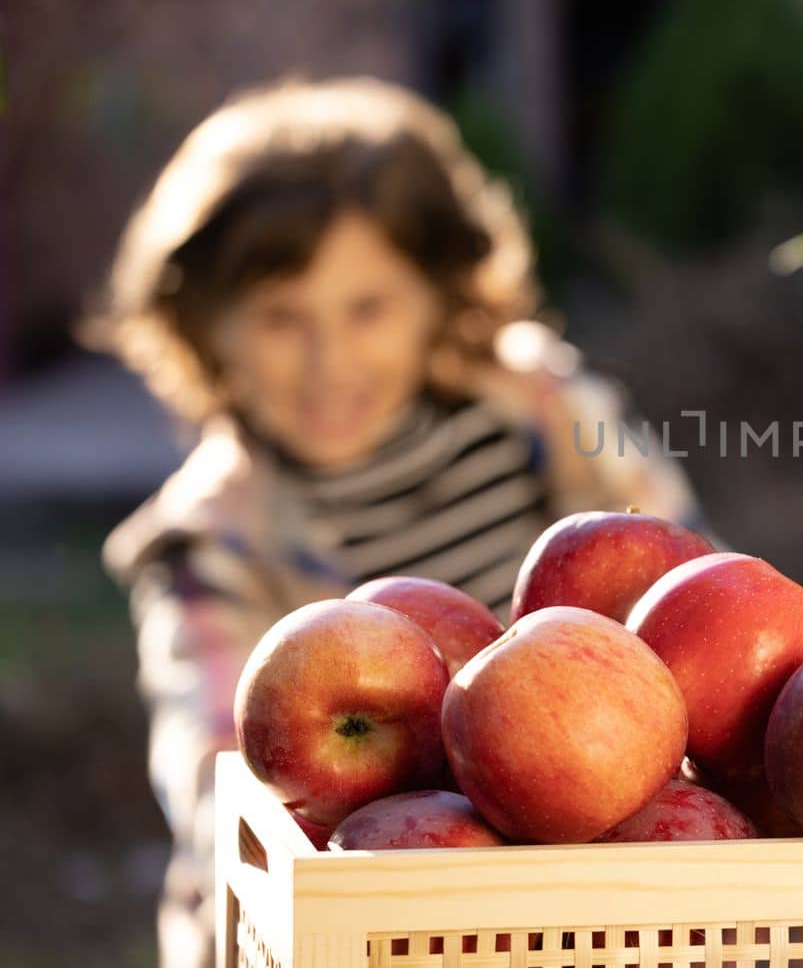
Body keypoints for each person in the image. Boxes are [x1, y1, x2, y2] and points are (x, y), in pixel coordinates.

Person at [93, 77, 703, 968]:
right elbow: (221, 781)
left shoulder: (540, 410)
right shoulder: (209, 540)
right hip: (340, 914)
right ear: (207, 327)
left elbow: (689, 590)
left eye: (368, 307)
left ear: (440, 293)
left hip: (573, 875)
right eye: (279, 318)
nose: (328, 357)